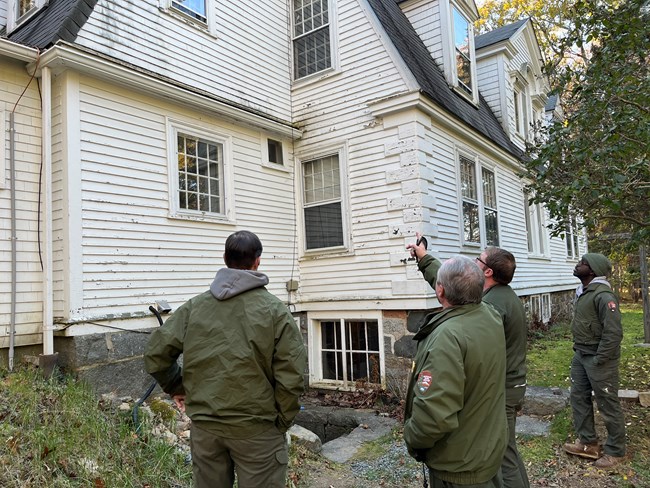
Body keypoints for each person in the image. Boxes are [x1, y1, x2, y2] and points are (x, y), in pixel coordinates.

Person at [144, 230, 307, 488]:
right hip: (257, 431)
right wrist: (282, 420)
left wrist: (178, 386)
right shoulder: (275, 312)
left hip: (206, 429)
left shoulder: (194, 307)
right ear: (257, 261)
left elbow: (156, 354)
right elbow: (293, 375)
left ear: (225, 259)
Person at [403, 248, 507, 487]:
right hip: (484, 451)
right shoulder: (490, 315)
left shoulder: (447, 338)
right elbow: (459, 283)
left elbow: (433, 416)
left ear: (440, 291)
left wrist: (411, 436)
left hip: (458, 466)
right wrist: (424, 258)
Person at [563, 253, 626, 468]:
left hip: (599, 359)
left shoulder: (603, 295)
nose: (577, 265)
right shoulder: (585, 291)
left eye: (582, 263)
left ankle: (616, 451)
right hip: (581, 354)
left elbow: (613, 333)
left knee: (608, 404)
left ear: (593, 270)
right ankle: (588, 443)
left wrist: (600, 359)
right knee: (578, 397)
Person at [476, 247, 529, 488]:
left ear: (488, 271)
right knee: (507, 448)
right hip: (509, 386)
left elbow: (484, 353)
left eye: (478, 259)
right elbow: (452, 284)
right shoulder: (500, 295)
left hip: (503, 389)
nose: (473, 262)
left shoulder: (494, 306)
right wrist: (424, 259)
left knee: (503, 453)